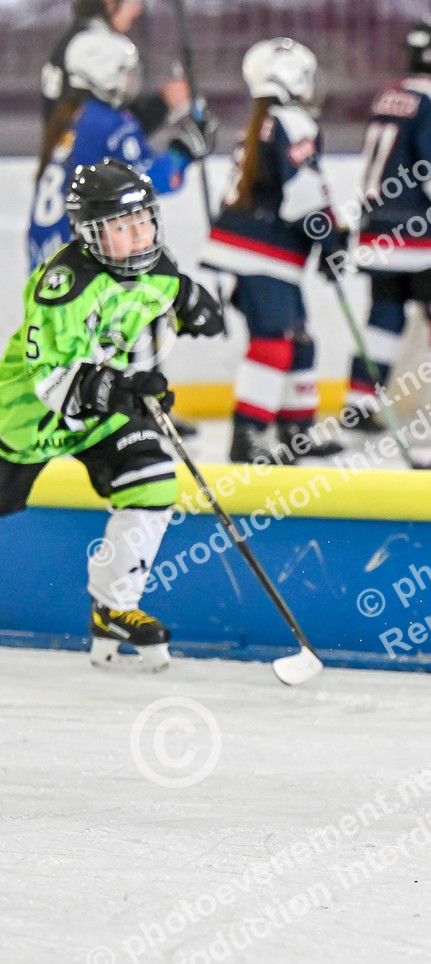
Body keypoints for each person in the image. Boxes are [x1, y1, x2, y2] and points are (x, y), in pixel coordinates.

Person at [0, 162, 224, 672]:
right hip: (26, 420)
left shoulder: (156, 267)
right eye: (123, 227)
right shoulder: (65, 286)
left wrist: (190, 298)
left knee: (152, 479)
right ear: (90, 234)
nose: (140, 235)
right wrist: (126, 388)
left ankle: (114, 609)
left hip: (99, 421)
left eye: (145, 221)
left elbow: (164, 293)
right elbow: (53, 383)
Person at [203, 38, 347, 465]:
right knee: (274, 342)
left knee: (298, 340)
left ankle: (296, 432)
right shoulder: (293, 121)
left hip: (248, 249)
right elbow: (303, 194)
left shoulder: (262, 122)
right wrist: (331, 243)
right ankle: (247, 435)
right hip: (263, 253)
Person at [342, 17, 431, 430]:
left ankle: (359, 405)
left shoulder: (390, 94)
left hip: (379, 232)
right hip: (426, 234)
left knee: (384, 316)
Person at [30, 27, 214, 271]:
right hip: (83, 257)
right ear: (106, 74)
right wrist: (183, 151)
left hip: (48, 257)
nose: (129, 80)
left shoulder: (70, 115)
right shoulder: (107, 122)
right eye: (125, 73)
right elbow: (148, 181)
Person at [40, 0, 188, 136]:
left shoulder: (79, 38)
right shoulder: (92, 45)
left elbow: (110, 130)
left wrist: (164, 103)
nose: (137, 9)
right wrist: (162, 105)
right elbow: (107, 138)